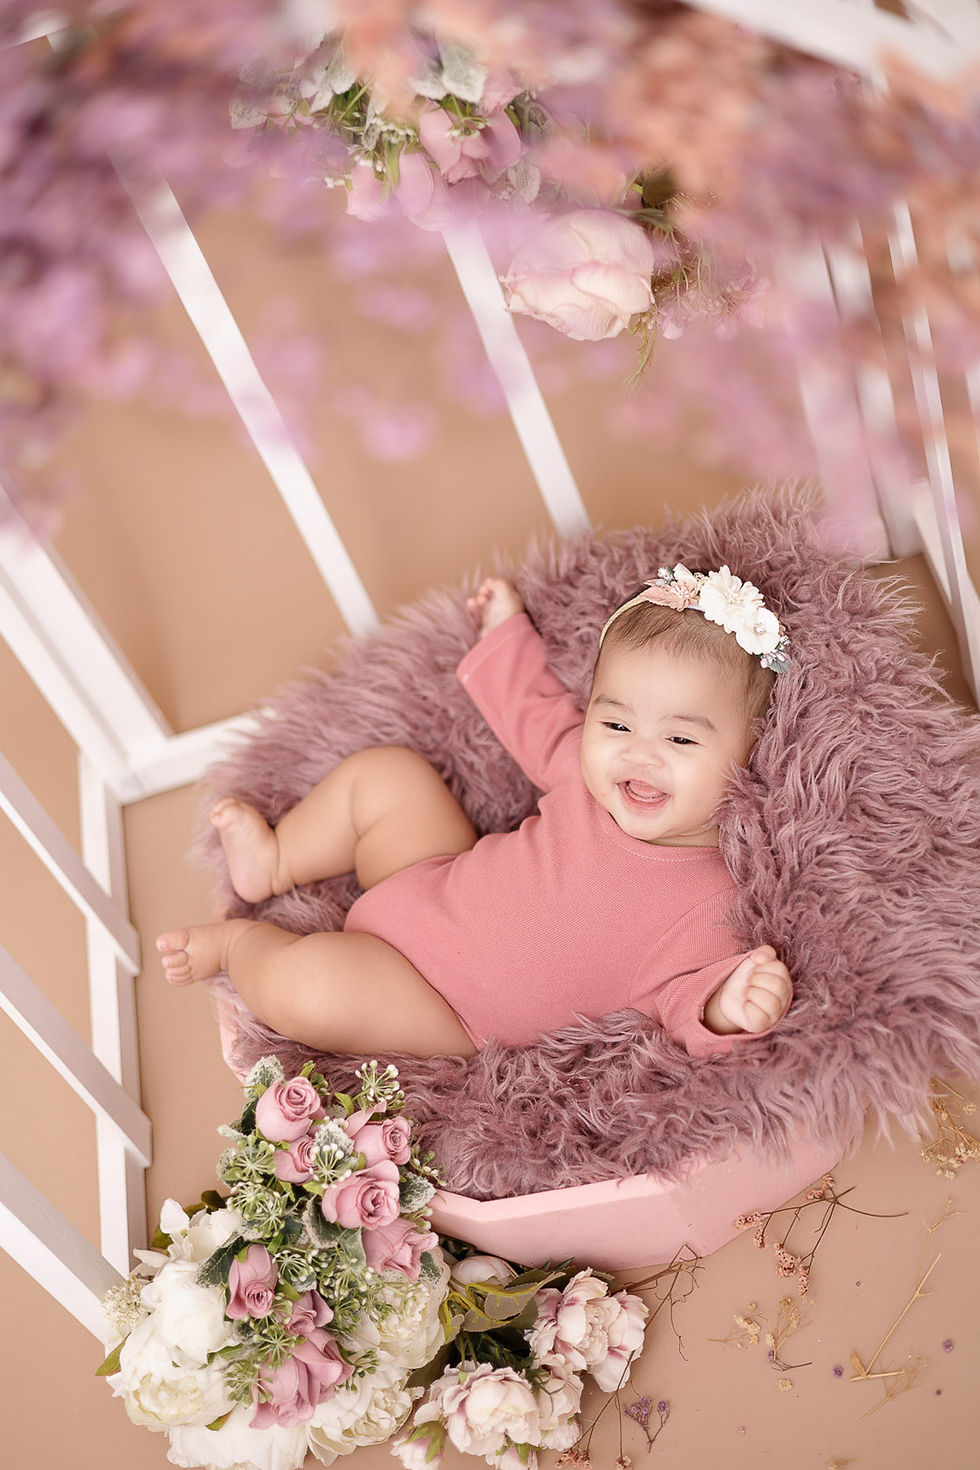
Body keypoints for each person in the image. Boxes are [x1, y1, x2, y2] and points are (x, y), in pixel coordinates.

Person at [157, 566, 794, 1059]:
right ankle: (276, 860)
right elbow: (535, 715)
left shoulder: (712, 903)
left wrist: (728, 1006)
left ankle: (240, 945)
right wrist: (505, 635)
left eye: (680, 740)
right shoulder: (588, 778)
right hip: (431, 876)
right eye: (617, 722)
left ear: (751, 749)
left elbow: (684, 1000)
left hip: (440, 1005)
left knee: (308, 990)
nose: (638, 755)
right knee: (388, 777)